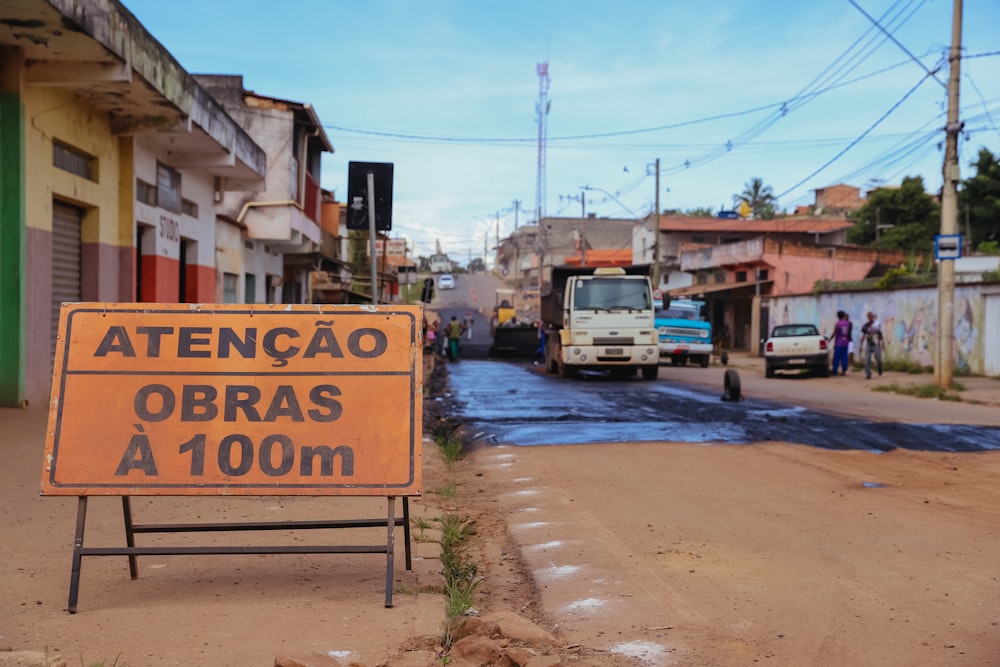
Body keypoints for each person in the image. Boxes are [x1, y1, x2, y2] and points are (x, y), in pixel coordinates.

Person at [861, 311, 885, 379]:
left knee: (878, 357)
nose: (870, 317)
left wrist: (883, 342)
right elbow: (863, 335)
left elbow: (880, 333)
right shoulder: (866, 326)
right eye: (868, 316)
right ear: (867, 317)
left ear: (873, 316)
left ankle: (879, 368)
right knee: (867, 359)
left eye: (871, 316)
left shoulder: (877, 324)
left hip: (876, 342)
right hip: (869, 343)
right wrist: (861, 345)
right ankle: (868, 373)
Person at [830, 310, 852, 376]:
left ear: (838, 316)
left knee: (836, 357)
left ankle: (835, 370)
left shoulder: (837, 324)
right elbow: (849, 332)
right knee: (844, 356)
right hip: (845, 342)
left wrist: (830, 338)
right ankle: (844, 370)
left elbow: (834, 333)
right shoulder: (848, 323)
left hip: (838, 342)